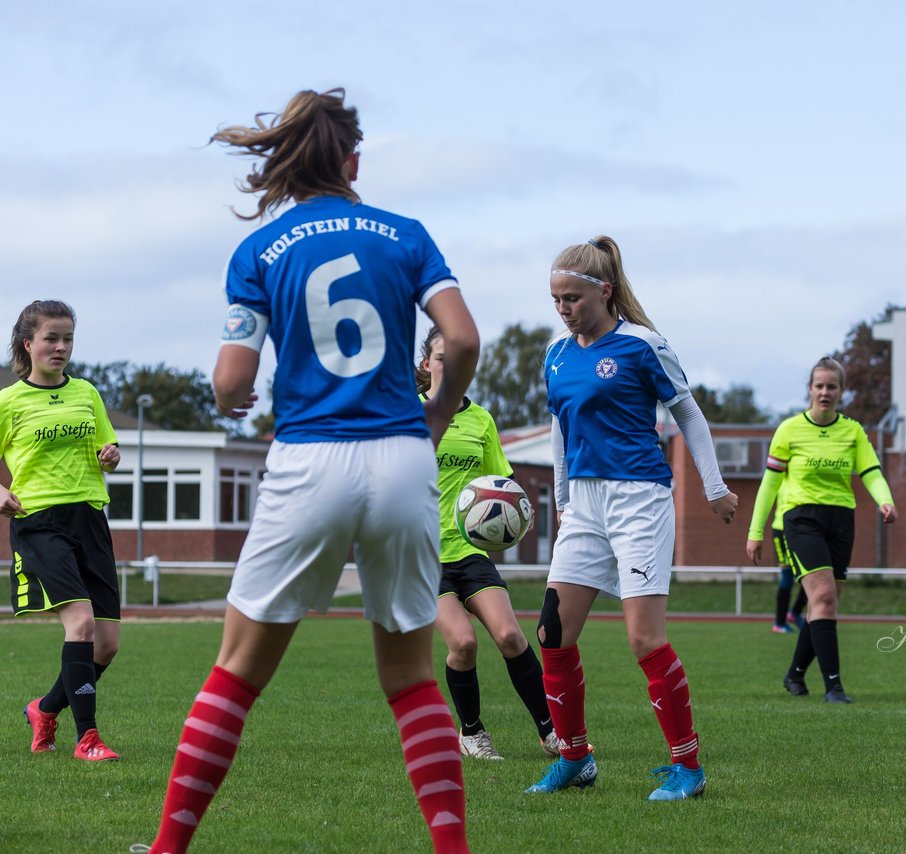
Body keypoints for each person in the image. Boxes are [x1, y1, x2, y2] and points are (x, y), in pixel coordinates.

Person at [137, 89, 479, 854]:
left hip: (309, 459)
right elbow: (460, 339)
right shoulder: (407, 234)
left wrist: (233, 399)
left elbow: (230, 379)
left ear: (287, 165)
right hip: (401, 461)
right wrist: (439, 412)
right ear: (354, 161)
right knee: (413, 679)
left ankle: (166, 849)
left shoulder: (261, 249)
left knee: (237, 671)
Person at [525, 235, 737, 802]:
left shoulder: (645, 345)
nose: (564, 308)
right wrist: (565, 500)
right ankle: (575, 758)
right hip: (585, 506)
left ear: (605, 290)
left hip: (640, 498)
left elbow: (688, 415)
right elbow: (560, 430)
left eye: (572, 297)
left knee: (644, 639)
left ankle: (687, 767)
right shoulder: (556, 354)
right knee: (552, 633)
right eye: (556, 300)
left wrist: (715, 489)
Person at [416, 326, 564, 760]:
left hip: (471, 553)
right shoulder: (408, 415)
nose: (450, 365)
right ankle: (471, 731)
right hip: (424, 556)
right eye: (441, 357)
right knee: (462, 644)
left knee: (511, 637)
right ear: (427, 364)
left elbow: (501, 484)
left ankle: (549, 730)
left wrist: (518, 513)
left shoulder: (481, 420)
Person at [3, 300, 122, 762]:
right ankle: (87, 739)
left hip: (90, 518)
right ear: (27, 344)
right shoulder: (8, 401)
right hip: (40, 523)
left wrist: (110, 455)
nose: (61, 346)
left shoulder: (87, 393)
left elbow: (105, 445)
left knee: (107, 645)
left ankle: (43, 709)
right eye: (51, 338)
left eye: (68, 338)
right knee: (82, 624)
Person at [746, 357, 897, 704]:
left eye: (832, 386)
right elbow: (769, 485)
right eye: (819, 385)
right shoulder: (788, 430)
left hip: (842, 519)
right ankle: (834, 687)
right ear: (810, 390)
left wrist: (885, 500)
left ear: (842, 392)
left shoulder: (853, 431)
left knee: (822, 604)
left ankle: (795, 674)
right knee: (824, 598)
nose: (825, 392)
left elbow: (871, 472)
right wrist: (756, 532)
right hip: (801, 519)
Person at [770, 482, 808, 633]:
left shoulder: (803, 475)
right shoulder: (780, 477)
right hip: (781, 529)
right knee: (787, 577)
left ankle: (795, 613)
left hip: (802, 530)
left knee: (811, 574)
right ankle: (779, 623)